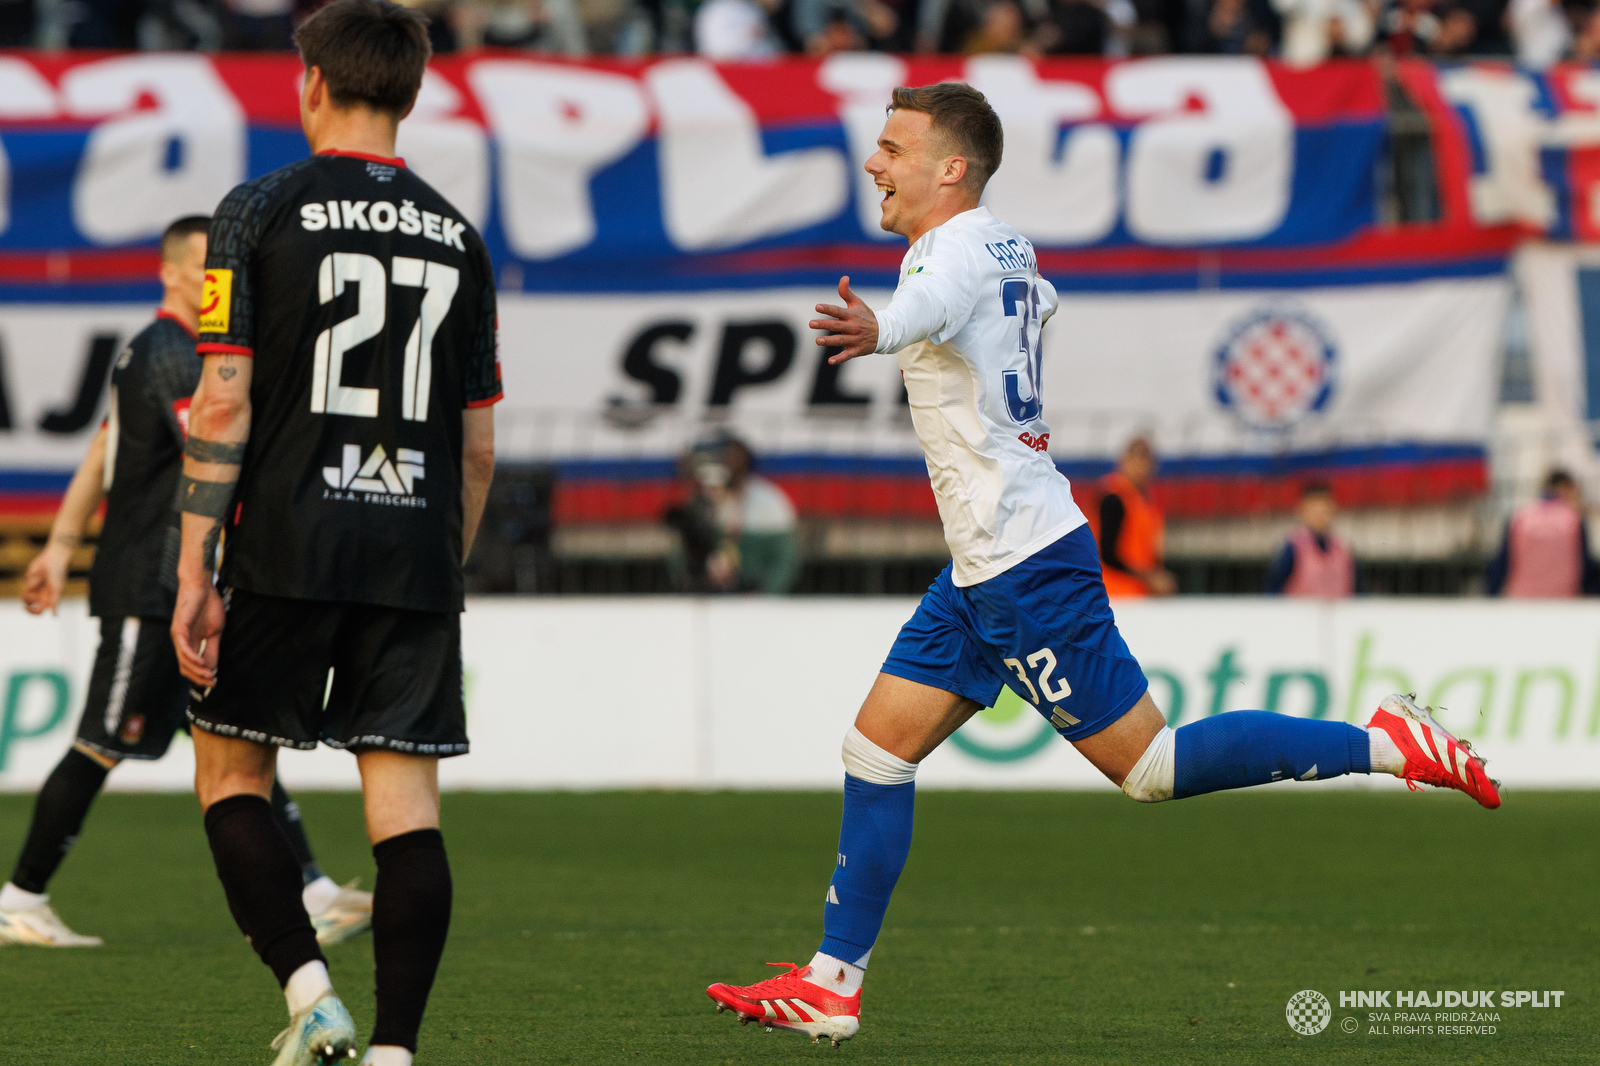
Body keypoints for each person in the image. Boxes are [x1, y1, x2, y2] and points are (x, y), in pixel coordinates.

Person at [703, 82, 1500, 1049]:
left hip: (1024, 567)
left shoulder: (947, 258)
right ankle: (833, 982)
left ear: (949, 167)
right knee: (876, 751)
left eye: (891, 146)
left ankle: (1386, 742)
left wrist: (878, 326)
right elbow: (1020, 300)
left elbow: (927, 305)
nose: (874, 162)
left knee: (1151, 769)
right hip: (981, 567)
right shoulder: (1003, 241)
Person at [168, 2, 501, 1063]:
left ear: (310, 82)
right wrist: (440, 566)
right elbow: (478, 444)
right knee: (404, 810)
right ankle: (399, 1051)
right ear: (409, 91)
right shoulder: (460, 234)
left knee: (231, 778)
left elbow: (222, 399)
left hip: (285, 545)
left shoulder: (258, 209)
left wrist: (191, 566)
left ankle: (311, 991)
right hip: (412, 553)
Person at [0, 217, 371, 951]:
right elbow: (215, 451)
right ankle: (21, 897)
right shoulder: (174, 355)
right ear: (172, 273)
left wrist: (60, 544)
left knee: (231, 736)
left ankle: (315, 889)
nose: (222, 285)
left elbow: (101, 450)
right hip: (150, 588)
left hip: (177, 591)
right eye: (208, 269)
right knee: (100, 743)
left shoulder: (157, 349)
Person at [1485, 469, 1600, 598]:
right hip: (1564, 603)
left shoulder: (1520, 516)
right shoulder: (1574, 519)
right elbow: (1585, 572)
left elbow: (1501, 566)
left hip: (1522, 602)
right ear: (1568, 487)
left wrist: (1490, 599)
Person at [1095, 436, 1176, 598]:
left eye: (1145, 459)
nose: (1141, 466)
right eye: (1136, 458)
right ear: (1124, 460)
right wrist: (1149, 577)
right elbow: (1108, 553)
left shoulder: (1144, 502)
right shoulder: (1114, 497)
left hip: (1136, 594)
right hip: (1115, 592)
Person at [1264, 481, 1357, 597]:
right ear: (1302, 509)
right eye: (1314, 508)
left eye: (1324, 508)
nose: (1320, 514)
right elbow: (1273, 591)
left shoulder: (1343, 548)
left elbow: (1358, 591)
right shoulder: (1293, 547)